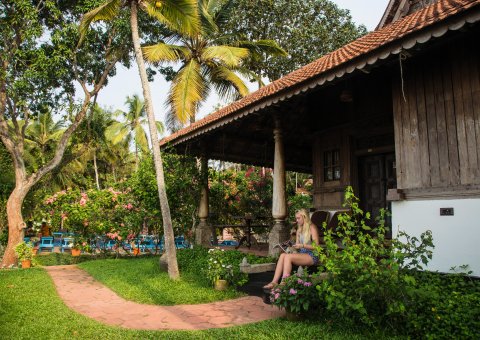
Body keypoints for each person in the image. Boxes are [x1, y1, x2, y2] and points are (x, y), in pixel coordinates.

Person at [263, 209, 320, 289]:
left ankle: (283, 283)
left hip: (312, 255)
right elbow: (297, 245)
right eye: (296, 218)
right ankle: (274, 282)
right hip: (302, 254)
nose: (297, 220)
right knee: (283, 255)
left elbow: (317, 247)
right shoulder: (299, 230)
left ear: (304, 217)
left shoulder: (312, 227)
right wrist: (288, 246)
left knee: (288, 257)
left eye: (298, 218)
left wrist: (302, 246)